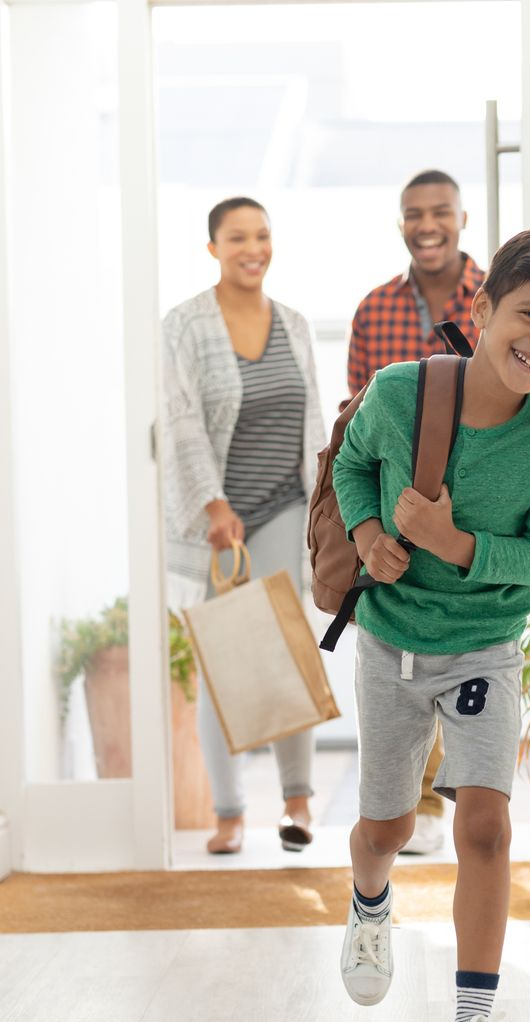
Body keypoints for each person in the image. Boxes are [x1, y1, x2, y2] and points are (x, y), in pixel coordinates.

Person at [333, 228, 530, 1022]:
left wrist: (451, 543)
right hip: (390, 642)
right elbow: (352, 468)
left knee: (487, 827)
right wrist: (372, 534)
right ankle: (369, 901)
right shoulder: (397, 394)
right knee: (384, 829)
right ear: (483, 307)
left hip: (484, 652)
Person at [162, 197, 326, 856]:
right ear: (212, 248)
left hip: (285, 503)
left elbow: (312, 417)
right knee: (222, 658)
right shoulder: (183, 325)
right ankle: (228, 812)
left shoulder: (293, 323)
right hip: (215, 522)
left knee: (288, 649)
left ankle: (297, 803)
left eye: (261, 235)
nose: (252, 248)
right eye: (237, 238)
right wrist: (212, 505)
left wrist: (323, 508)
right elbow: (180, 423)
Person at [346, 169, 485, 855]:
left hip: (473, 510)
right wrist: (368, 528)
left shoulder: (494, 301)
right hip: (393, 513)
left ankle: (444, 804)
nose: (425, 225)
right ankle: (404, 806)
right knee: (398, 654)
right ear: (400, 222)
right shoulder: (375, 311)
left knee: (463, 650)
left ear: (462, 216)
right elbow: (354, 432)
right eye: (412, 214)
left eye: (439, 212)